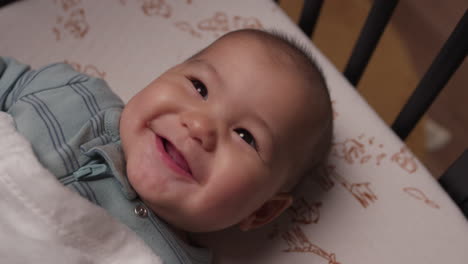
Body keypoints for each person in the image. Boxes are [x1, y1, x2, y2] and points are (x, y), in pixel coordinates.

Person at [0, 29, 333, 263]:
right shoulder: (74, 94)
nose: (201, 126)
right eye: (199, 87)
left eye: (245, 136)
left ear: (260, 211)